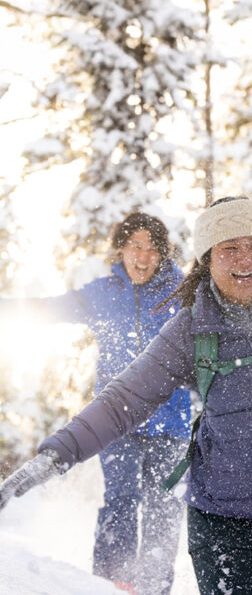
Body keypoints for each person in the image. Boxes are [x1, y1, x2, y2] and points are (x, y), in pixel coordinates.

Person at [0, 196, 252, 595]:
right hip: (223, 521)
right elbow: (125, 398)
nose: (245, 260)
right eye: (229, 248)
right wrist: (58, 453)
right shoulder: (191, 329)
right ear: (208, 256)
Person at [0, 212, 191, 595]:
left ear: (163, 254)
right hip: (115, 421)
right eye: (135, 246)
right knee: (120, 500)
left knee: (164, 506)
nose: (143, 256)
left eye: (152, 249)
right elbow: (51, 307)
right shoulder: (104, 293)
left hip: (171, 424)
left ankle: (155, 587)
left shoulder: (183, 292)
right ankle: (112, 585)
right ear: (121, 249)